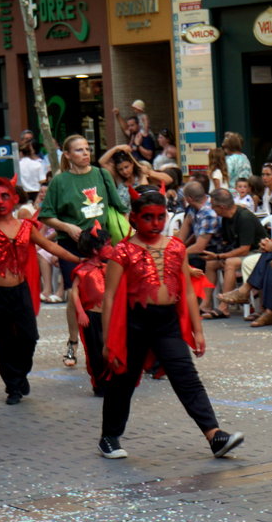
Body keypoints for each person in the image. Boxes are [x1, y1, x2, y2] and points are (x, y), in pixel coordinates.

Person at [99, 191, 244, 459]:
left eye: (160, 217)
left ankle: (214, 435)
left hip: (167, 323)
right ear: (133, 219)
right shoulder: (122, 252)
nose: (155, 223)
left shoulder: (176, 247)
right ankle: (109, 436)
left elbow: (188, 291)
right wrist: (108, 340)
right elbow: (109, 297)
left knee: (186, 377)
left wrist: (197, 331)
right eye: (148, 217)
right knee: (123, 380)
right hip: (134, 323)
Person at [39, 135, 128, 369]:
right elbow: (46, 215)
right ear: (67, 155)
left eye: (87, 149)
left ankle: (108, 339)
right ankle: (73, 341)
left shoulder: (101, 174)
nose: (85, 153)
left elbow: (120, 207)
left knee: (108, 291)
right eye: (78, 150)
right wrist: (67, 226)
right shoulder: (60, 181)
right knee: (75, 293)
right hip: (72, 245)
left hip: (101, 244)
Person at [0, 178, 78, 404]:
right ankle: (13, 387)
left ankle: (19, 374)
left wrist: (79, 259)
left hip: (20, 290)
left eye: (5, 196)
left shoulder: (26, 227)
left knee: (29, 336)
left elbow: (51, 246)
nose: (0, 201)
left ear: (15, 199)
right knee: (2, 341)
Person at [216, 184, 272, 327]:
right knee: (271, 262)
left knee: (271, 255)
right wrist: (270, 243)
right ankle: (267, 310)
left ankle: (247, 292)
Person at [200, 189, 265, 319]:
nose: (212, 209)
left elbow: (244, 249)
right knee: (211, 264)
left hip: (257, 252)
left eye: (213, 205)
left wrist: (222, 256)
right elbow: (229, 242)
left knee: (230, 263)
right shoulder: (226, 218)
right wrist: (221, 255)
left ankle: (224, 306)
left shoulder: (244, 218)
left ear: (222, 207)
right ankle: (205, 304)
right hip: (239, 251)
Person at [71, 225, 113, 396]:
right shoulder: (83, 271)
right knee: (95, 351)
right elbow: (74, 292)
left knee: (109, 347)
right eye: (108, 244)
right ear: (96, 250)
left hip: (108, 315)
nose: (111, 248)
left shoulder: (109, 268)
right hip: (91, 316)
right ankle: (99, 383)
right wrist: (80, 312)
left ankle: (111, 381)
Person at [222, 132, 252, 197]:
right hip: (245, 192)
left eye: (224, 147)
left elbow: (226, 177)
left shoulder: (229, 160)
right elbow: (250, 175)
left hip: (233, 194)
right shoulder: (244, 157)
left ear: (229, 147)